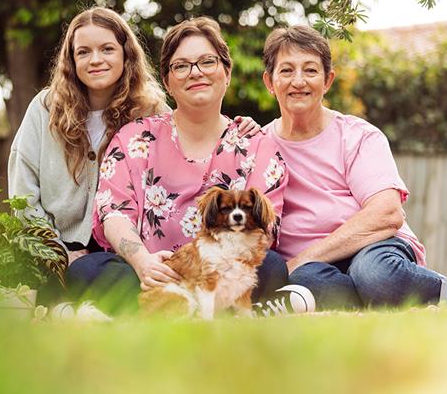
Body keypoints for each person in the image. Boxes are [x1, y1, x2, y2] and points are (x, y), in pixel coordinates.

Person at [8, 7, 257, 305]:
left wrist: (238, 127)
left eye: (107, 49)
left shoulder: (152, 112)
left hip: (128, 253)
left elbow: (194, 137)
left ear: (126, 54)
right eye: (83, 52)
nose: (96, 59)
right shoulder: (45, 109)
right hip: (55, 245)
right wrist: (59, 252)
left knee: (113, 278)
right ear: (71, 61)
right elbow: (23, 193)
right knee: (62, 271)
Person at [68, 17, 292, 314]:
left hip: (224, 273)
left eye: (207, 62)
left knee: (272, 267)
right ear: (167, 81)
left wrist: (208, 266)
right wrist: (143, 262)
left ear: (227, 72)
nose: (195, 73)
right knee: (87, 269)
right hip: (148, 277)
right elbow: (113, 212)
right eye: (181, 66)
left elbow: (266, 226)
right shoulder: (135, 138)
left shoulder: (257, 145)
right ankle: (166, 309)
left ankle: (174, 313)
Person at [261, 24, 447, 310]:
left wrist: (303, 258)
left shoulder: (358, 136)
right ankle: (376, 301)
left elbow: (387, 214)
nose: (299, 81)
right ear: (270, 82)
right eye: (287, 70)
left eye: (311, 70)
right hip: (311, 271)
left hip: (373, 249)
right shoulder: (258, 145)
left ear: (328, 80)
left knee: (376, 275)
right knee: (307, 281)